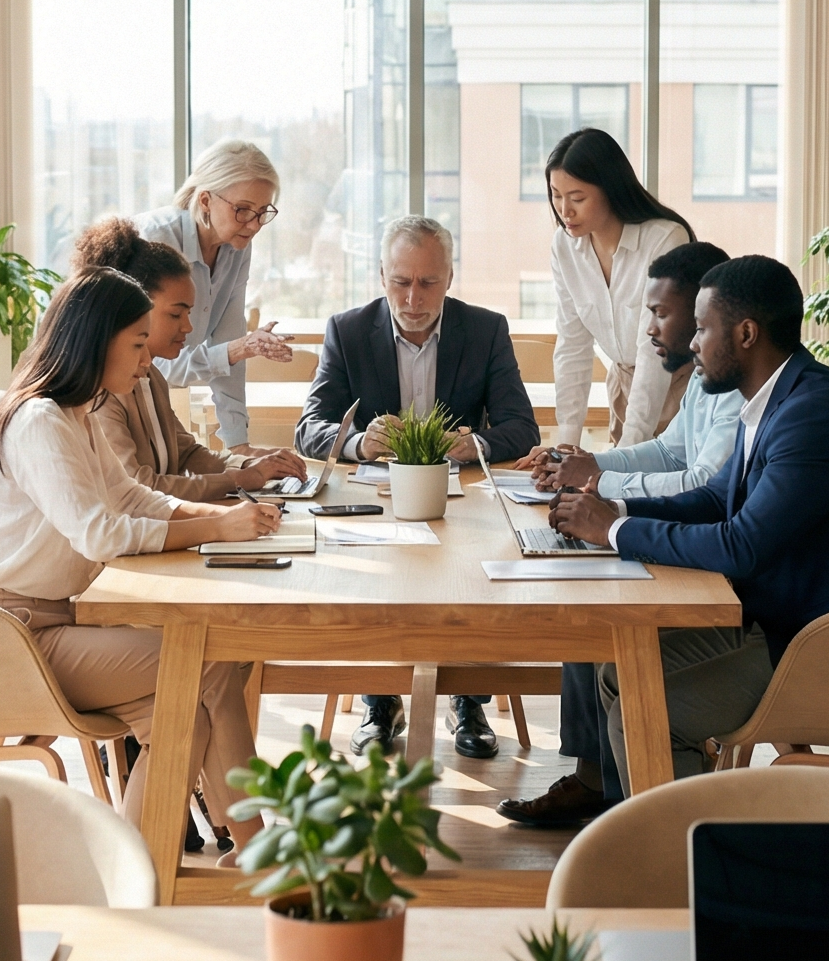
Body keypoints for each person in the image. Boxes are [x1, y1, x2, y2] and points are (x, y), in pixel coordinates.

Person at [543, 255, 829, 789]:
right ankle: (643, 835)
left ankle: (680, 861)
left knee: (643, 710)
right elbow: (718, 499)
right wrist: (614, 513)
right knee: (617, 665)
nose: (692, 343)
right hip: (786, 619)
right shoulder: (773, 398)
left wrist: (612, 531)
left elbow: (741, 545)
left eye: (700, 328)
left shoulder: (813, 414)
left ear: (744, 333)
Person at [0, 269, 284, 847]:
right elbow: (99, 534)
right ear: (97, 340)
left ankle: (164, 860)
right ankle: (250, 848)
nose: (146, 360)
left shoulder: (74, 413)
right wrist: (218, 526)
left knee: (188, 699)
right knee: (202, 662)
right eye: (136, 345)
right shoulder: (40, 422)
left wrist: (217, 523)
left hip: (50, 619)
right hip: (8, 631)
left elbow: (131, 495)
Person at [496, 240, 743, 828]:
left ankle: (621, 801)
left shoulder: (742, 392)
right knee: (588, 599)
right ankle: (598, 780)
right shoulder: (705, 383)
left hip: (715, 573)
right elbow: (669, 450)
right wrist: (594, 468)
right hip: (691, 542)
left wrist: (608, 497)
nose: (649, 328)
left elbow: (706, 482)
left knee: (600, 610)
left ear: (708, 314)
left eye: (661, 313)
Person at [296, 214, 539, 759]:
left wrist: (473, 442)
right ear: (381, 276)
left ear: (449, 278)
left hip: (461, 502)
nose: (413, 297)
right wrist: (359, 440)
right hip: (376, 500)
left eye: (428, 282)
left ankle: (468, 702)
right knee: (377, 580)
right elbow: (309, 428)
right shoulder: (348, 330)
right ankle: (379, 702)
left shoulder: (485, 329)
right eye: (401, 282)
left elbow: (522, 427)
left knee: (477, 575)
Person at [73, 218, 309, 500]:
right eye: (176, 314)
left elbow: (186, 452)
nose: (188, 327)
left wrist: (252, 463)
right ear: (134, 308)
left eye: (189, 313)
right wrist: (239, 479)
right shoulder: (101, 389)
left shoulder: (151, 376)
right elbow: (139, 487)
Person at [539, 128, 696, 453]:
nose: (564, 210)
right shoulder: (564, 246)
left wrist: (626, 453)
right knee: (615, 497)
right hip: (625, 384)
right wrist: (566, 442)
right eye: (556, 194)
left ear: (610, 189)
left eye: (577, 198)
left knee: (671, 490)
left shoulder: (664, 239)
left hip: (677, 382)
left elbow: (652, 350)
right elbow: (572, 344)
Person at [136, 140, 298, 452]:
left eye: (263, 212)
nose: (254, 225)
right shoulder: (156, 239)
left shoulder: (238, 247)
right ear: (206, 200)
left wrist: (239, 447)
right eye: (243, 210)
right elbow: (157, 364)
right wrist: (237, 350)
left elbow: (230, 341)